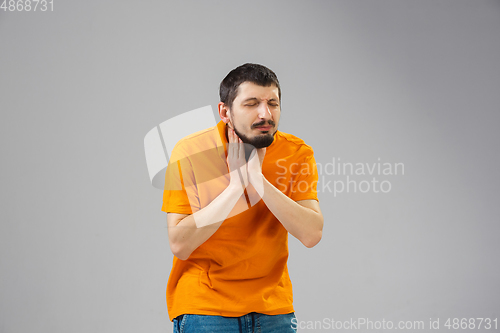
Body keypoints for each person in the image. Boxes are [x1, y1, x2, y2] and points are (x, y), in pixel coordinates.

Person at [161, 63, 323, 333]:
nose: (265, 113)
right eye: (251, 104)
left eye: (273, 103)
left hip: (274, 310)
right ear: (225, 112)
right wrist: (236, 186)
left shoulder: (296, 153)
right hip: (205, 308)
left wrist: (256, 179)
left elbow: (311, 234)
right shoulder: (191, 151)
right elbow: (179, 243)